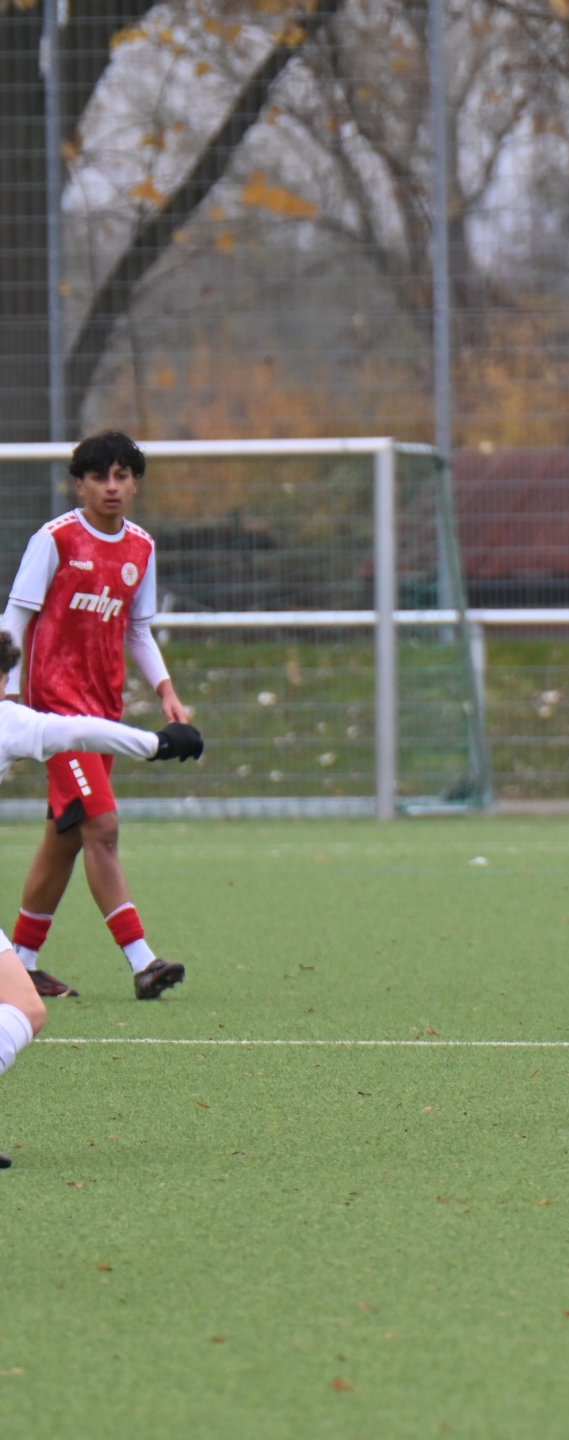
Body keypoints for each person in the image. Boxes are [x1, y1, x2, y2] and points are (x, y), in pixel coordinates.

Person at [0, 621, 203, 1169]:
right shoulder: (6, 721)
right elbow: (80, 731)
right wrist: (158, 743)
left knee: (24, 1004)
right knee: (24, 1010)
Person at [3, 430, 193, 1002]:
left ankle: (21, 963)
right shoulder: (55, 539)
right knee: (102, 827)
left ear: (135, 484)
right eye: (99, 477)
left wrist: (166, 691)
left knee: (66, 837)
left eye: (122, 476)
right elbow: (15, 619)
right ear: (79, 485)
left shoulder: (141, 548)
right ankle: (143, 961)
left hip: (104, 712)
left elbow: (137, 630)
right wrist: (7, 694)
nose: (111, 487)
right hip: (55, 712)